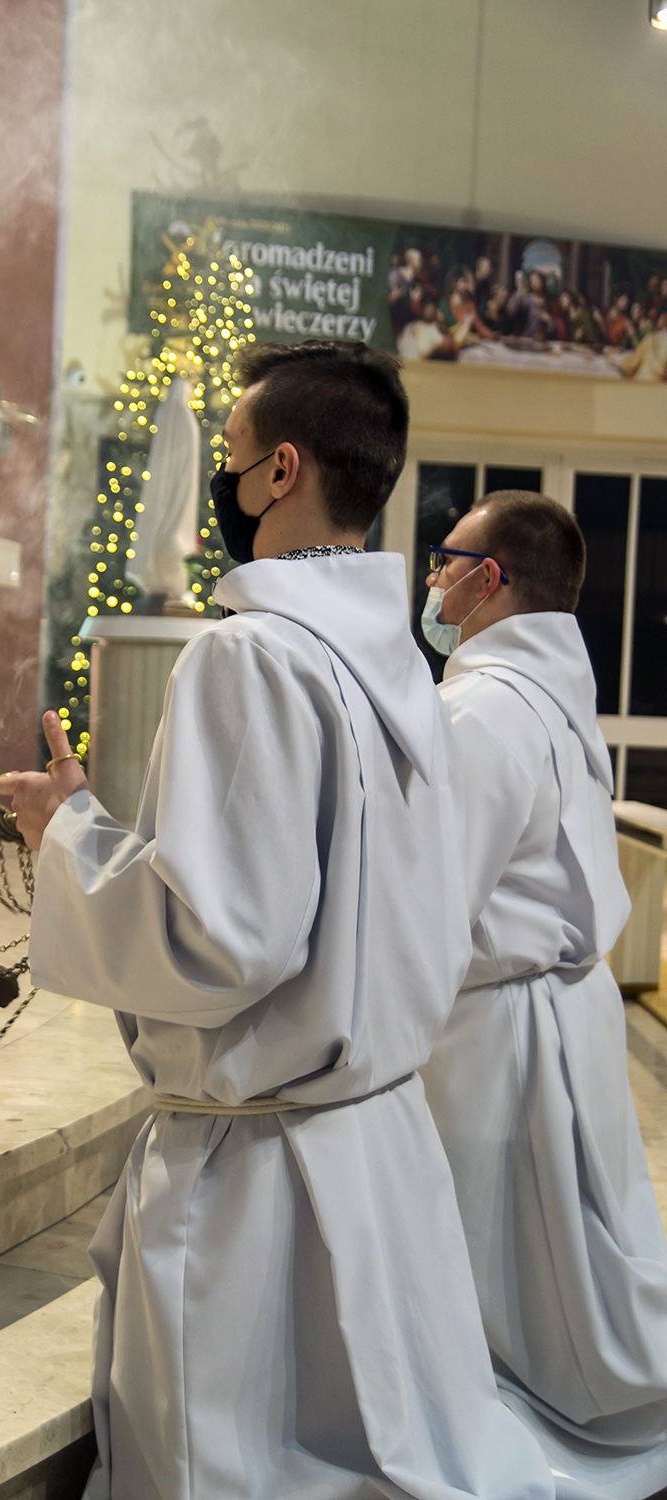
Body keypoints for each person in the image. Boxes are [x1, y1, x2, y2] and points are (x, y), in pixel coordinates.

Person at [0, 343, 561, 1500]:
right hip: (378, 1143)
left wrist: (66, 836)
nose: (224, 478)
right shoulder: (397, 660)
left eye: (233, 455)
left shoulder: (249, 655)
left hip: (264, 1186)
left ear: (280, 472)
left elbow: (223, 940)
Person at [419, 491, 667, 1500]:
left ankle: (515, 1413)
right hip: (567, 1007)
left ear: (489, 580)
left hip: (498, 1027)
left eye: (444, 559)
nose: (431, 578)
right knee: (577, 1247)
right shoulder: (555, 698)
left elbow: (435, 901)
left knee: (503, 1269)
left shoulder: (477, 709)